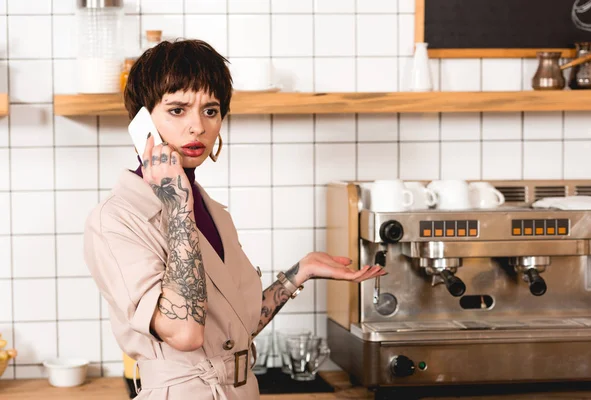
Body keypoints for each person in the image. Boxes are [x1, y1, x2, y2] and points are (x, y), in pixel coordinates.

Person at [83, 39, 386, 400]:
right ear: (142, 123)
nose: (197, 126)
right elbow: (185, 333)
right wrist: (178, 205)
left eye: (210, 110)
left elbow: (233, 331)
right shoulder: (117, 218)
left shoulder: (211, 211)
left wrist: (297, 274)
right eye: (178, 110)